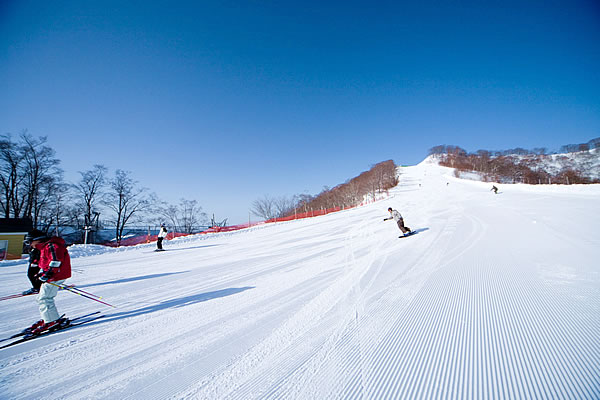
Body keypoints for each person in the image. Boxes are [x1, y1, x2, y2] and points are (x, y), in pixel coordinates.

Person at [24, 229, 72, 335]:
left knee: (45, 298)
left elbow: (56, 261)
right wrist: (43, 273)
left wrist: (48, 274)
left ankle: (51, 320)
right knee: (42, 297)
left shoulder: (52, 246)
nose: (29, 244)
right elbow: (47, 263)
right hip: (54, 275)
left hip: (56, 276)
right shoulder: (45, 247)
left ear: (37, 240)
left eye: (30, 241)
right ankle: (49, 317)